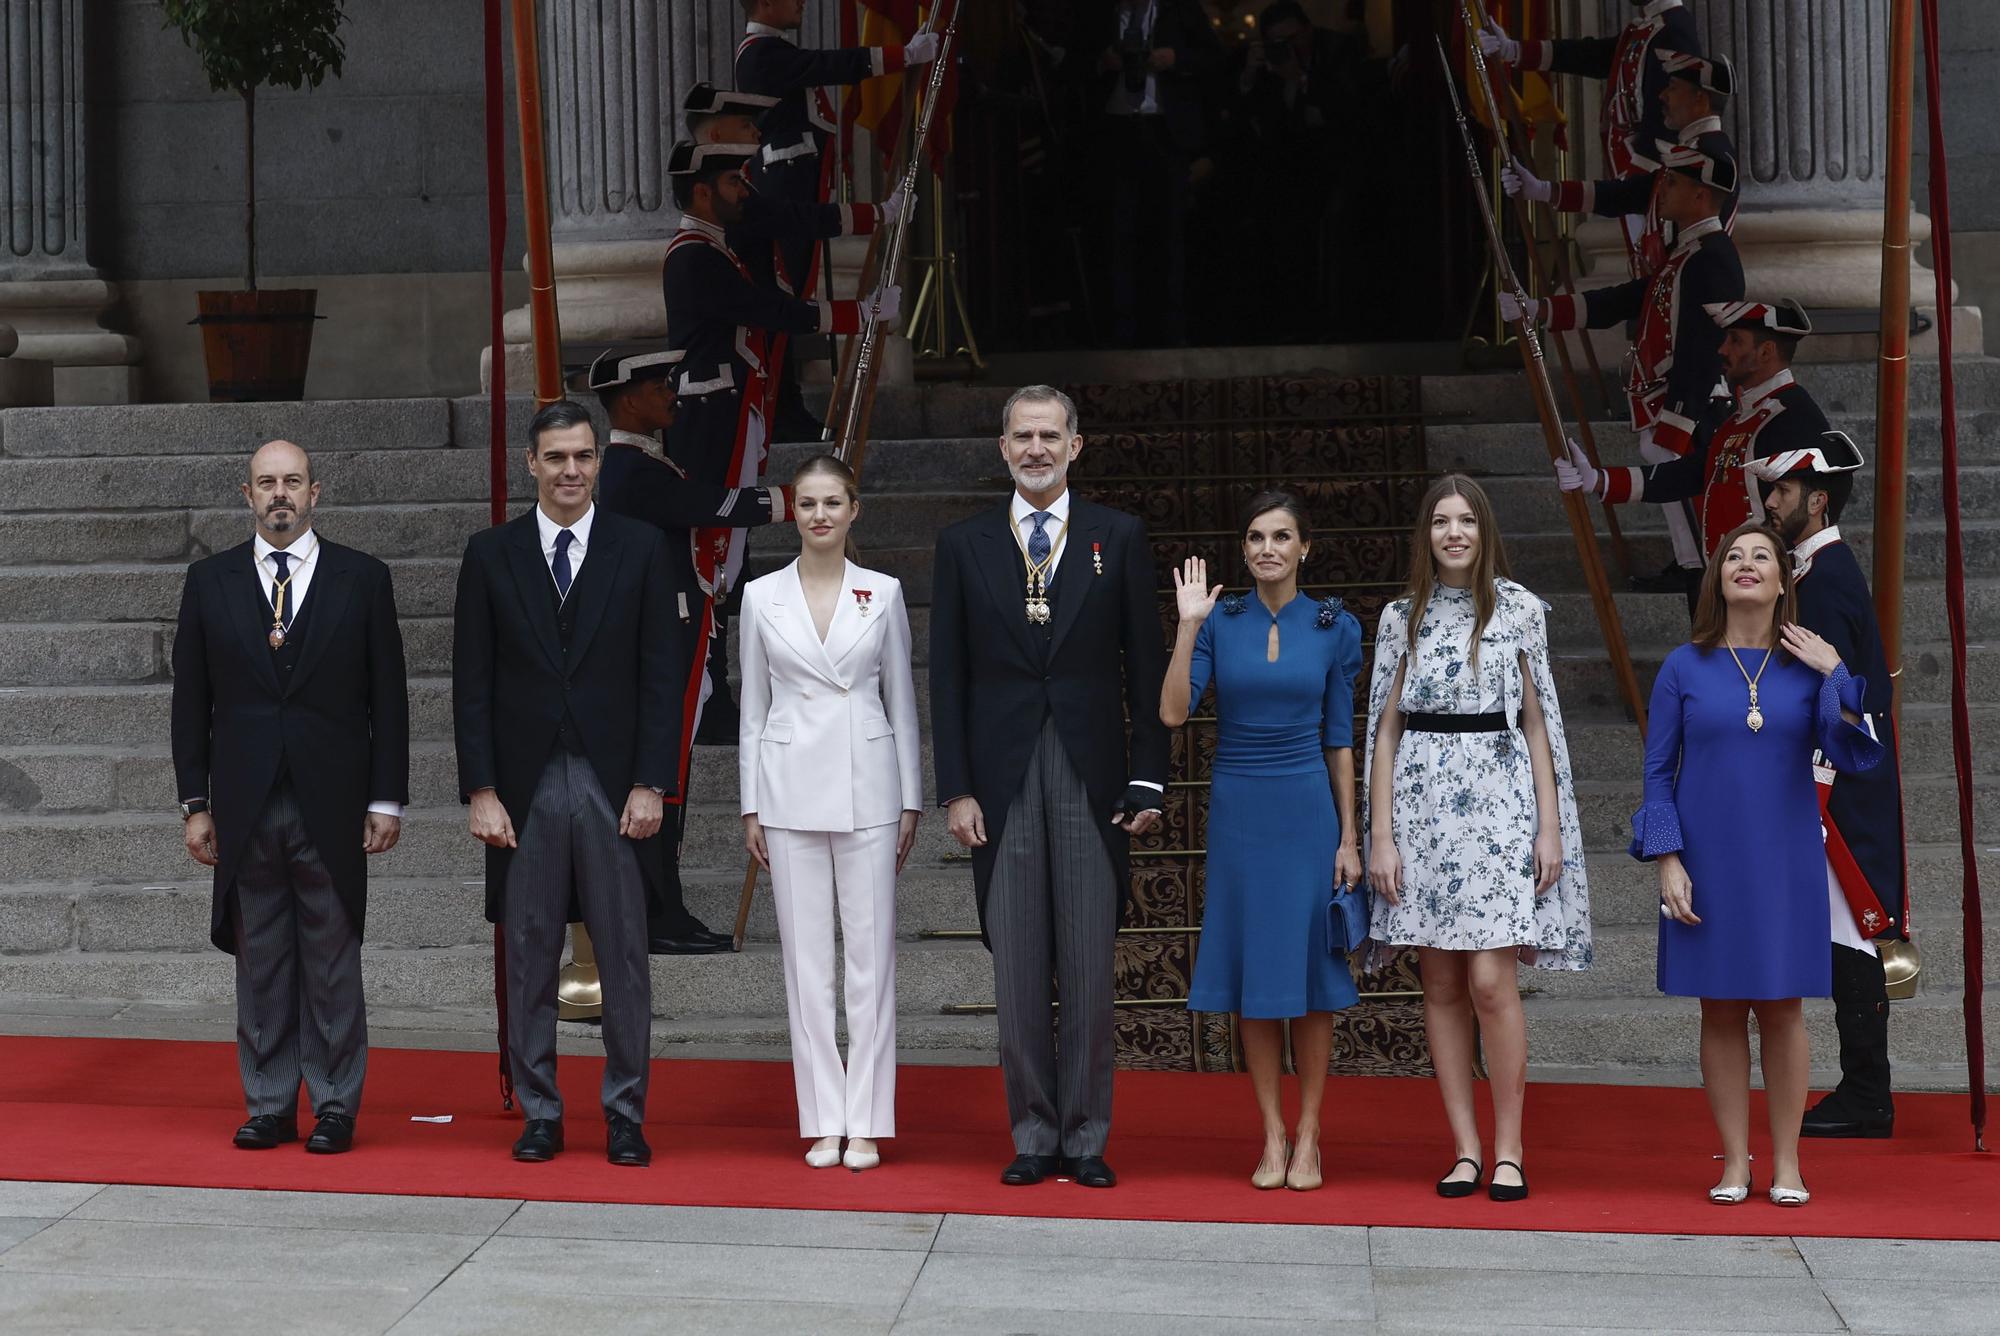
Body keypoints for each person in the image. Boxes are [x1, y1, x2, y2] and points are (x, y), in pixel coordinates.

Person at [929, 383, 1169, 1189]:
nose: (1036, 448)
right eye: (1022, 436)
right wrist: (955, 787)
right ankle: (1034, 1133)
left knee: (1090, 969)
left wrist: (1148, 777)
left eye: (1051, 435)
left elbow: (1145, 660)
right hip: (999, 783)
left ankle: (1087, 1135)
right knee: (1019, 969)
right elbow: (949, 680)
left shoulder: (1119, 537)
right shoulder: (963, 545)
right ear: (1003, 449)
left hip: (1093, 776)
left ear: (1077, 446)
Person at [452, 400, 683, 1167]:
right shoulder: (491, 555)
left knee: (623, 956)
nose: (571, 471)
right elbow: (471, 684)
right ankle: (541, 1111)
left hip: (616, 783)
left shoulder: (642, 547)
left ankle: (625, 1114)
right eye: (556, 458)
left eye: (583, 456)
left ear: (600, 461)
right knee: (528, 953)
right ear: (531, 464)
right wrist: (480, 789)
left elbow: (662, 676)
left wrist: (654, 781)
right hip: (522, 788)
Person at [171, 440, 409, 1155]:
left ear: (316, 493)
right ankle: (270, 1102)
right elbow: (192, 704)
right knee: (263, 959)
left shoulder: (362, 579)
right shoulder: (208, 582)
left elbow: (388, 701)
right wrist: (195, 803)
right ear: (246, 495)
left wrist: (387, 800)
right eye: (267, 482)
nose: (281, 494)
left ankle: (335, 1103)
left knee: (333, 959)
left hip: (332, 803)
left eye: (293, 482)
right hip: (244, 804)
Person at [1636, 522, 1883, 1205]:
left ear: (1782, 581)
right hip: (1706, 859)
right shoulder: (1684, 665)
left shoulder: (1807, 665)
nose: (1746, 565)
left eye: (1762, 557)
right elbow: (1657, 773)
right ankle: (1736, 1163)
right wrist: (1667, 858)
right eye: (1734, 557)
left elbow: (1854, 749)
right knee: (1719, 1010)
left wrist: (1838, 672)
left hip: (1786, 856)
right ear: (1717, 577)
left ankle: (1789, 1166)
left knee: (1782, 1009)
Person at [1362, 475, 1590, 1204]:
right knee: (1439, 982)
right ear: (1425, 534)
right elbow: (1384, 729)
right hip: (1422, 811)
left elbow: (1538, 723)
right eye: (1440, 521)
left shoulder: (1519, 608)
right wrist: (1381, 836)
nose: (1453, 532)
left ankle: (1511, 1149)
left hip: (1499, 808)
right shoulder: (1402, 615)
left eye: (1465, 520)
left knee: (1491, 981)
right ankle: (1464, 1148)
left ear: (1484, 529)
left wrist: (1550, 827)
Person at [1158, 491, 1363, 1192]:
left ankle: (1310, 1134)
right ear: (1242, 550)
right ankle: (1270, 1133)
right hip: (1240, 809)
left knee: (1307, 977)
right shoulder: (1224, 620)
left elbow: (1340, 739)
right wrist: (1189, 628)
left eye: (1281, 537)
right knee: (1253, 976)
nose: (1267, 548)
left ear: (1305, 547)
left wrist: (1350, 837)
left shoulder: (1336, 626)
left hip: (1308, 811)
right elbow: (1173, 712)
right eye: (1254, 537)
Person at [661, 140, 895, 746]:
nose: (746, 191)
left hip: (730, 409)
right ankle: (708, 697)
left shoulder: (714, 250)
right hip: (711, 417)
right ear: (705, 192)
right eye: (734, 184)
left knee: (726, 558)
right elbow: (765, 309)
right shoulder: (695, 256)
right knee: (711, 554)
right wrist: (856, 315)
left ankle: (717, 692)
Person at [739, 454, 923, 1172]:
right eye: (807, 503)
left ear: (854, 510)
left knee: (870, 962)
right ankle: (822, 1116)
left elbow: (902, 700)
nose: (819, 515)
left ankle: (867, 1119)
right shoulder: (760, 596)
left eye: (832, 502)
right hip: (786, 788)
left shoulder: (885, 591)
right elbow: (753, 706)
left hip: (869, 782)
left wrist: (911, 796)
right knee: (806, 965)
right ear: (793, 510)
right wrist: (751, 803)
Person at [591, 346, 784, 953]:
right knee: (660, 778)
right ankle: (653, 914)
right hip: (659, 644)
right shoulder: (627, 470)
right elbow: (707, 505)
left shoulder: (650, 463)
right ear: (627, 399)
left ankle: (664, 907)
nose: (672, 393)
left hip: (677, 637)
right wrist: (798, 501)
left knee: (670, 777)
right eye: (659, 387)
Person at [1750, 435, 1908, 1139]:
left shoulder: (1827, 577)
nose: (1770, 500)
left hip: (1837, 786)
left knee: (1853, 931)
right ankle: (1866, 1088)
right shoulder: (1821, 571)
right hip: (1836, 780)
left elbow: (1849, 702)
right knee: (1846, 934)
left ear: (1817, 500)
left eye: (1781, 491)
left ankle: (1869, 1093)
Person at [1505, 142, 1743, 595]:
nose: (1662, 189)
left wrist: (1677, 424)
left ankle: (1704, 599)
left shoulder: (1712, 257)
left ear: (1699, 195)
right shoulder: (1687, 251)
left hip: (1692, 412)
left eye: (1673, 182)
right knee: (1692, 545)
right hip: (1668, 407)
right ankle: (1693, 579)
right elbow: (1628, 299)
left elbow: (1704, 348)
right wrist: (1541, 309)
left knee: (1709, 549)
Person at [735, 0, 939, 441]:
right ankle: (780, 414)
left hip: (798, 196)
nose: (801, 3)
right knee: (784, 309)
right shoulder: (761, 53)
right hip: (786, 199)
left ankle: (784, 412)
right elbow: (829, 64)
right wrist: (901, 55)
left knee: (789, 305)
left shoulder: (773, 50)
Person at [1553, 299, 1827, 612]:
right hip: (1731, 587)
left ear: (1765, 352)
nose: (1722, 350)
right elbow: (1697, 471)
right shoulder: (1744, 414)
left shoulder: (1793, 416)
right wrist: (1600, 480)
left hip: (1764, 596)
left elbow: (1816, 507)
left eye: (1735, 341)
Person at [1480, 0, 1702, 266]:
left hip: (1651, 188)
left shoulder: (1673, 30)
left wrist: (1634, 187)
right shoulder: (1649, 28)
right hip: (1635, 184)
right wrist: (1514, 50)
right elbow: (1595, 55)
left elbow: (1664, 128)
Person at [1503, 50, 1738, 276]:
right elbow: (1629, 194)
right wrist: (1543, 190)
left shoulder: (1709, 156)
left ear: (1700, 99)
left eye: (1673, 87)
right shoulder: (1697, 150)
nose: (1662, 95)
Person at [1080, 0, 1221, 347]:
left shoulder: (1181, 11)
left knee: (1171, 233)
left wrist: (1175, 59)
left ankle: (1172, 331)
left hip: (1166, 131)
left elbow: (1215, 59)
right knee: (1118, 232)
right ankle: (1120, 332)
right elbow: (1070, 64)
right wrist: (1102, 62)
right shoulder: (1099, 14)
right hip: (1116, 131)